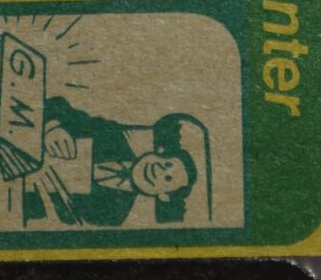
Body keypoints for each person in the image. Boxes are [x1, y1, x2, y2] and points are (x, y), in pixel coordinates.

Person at [33, 93, 199, 227]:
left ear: (163, 196)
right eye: (167, 163)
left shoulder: (113, 214)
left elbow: (55, 221)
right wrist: (52, 127)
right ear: (158, 152)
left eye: (168, 178)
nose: (159, 170)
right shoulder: (111, 135)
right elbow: (56, 105)